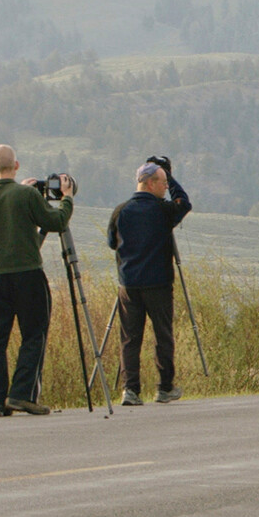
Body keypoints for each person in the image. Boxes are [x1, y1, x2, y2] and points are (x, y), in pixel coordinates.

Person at [0, 144, 75, 417]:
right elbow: (56, 221)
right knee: (34, 333)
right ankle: (21, 394)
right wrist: (66, 197)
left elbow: (10, 210)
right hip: (27, 274)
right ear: (16, 165)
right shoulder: (25, 196)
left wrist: (24, 190)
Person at [108, 159, 192, 406]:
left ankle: (130, 390)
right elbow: (184, 203)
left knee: (130, 338)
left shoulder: (120, 211)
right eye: (164, 182)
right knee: (162, 335)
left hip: (129, 284)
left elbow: (112, 243)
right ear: (151, 183)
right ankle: (164, 387)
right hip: (158, 283)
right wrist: (172, 176)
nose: (166, 187)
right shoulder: (163, 211)